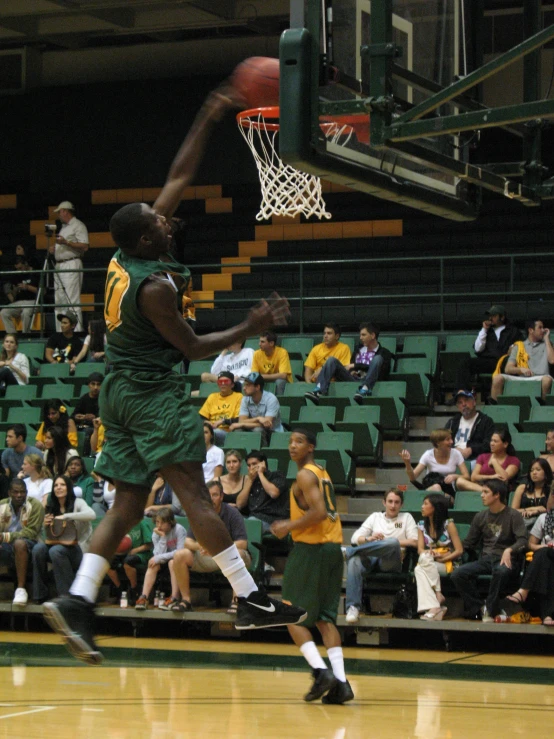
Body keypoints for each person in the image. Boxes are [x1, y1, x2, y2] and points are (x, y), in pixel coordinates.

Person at [43, 86, 306, 665]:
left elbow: (178, 176)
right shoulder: (156, 287)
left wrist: (209, 115)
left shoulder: (124, 255)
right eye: (159, 222)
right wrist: (249, 324)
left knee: (129, 503)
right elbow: (189, 347)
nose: (167, 219)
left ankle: (77, 599)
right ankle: (251, 599)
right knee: (191, 491)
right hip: (150, 394)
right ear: (147, 239)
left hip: (120, 392)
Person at [270, 428, 353, 704]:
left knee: (289, 613)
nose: (293, 445)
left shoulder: (305, 475)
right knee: (324, 619)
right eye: (290, 441)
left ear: (311, 447)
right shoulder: (322, 473)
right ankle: (341, 684)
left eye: (299, 441)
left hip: (312, 549)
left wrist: (287, 526)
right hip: (333, 548)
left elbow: (317, 513)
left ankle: (320, 671)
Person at [450, 479, 528, 621]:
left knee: (500, 571)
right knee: (458, 574)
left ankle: (490, 611)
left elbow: (523, 540)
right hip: (486, 559)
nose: (482, 495)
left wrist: (509, 550)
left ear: (497, 495)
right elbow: (469, 542)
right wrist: (452, 551)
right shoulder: (481, 516)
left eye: (486, 492)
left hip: (507, 560)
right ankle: (481, 607)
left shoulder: (513, 515)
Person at [171, 479, 251, 613]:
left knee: (240, 553)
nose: (211, 499)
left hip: (228, 558)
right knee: (179, 555)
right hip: (207, 557)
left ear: (221, 496)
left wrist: (218, 548)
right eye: (208, 495)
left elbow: (243, 543)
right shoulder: (199, 514)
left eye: (214, 495)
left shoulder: (232, 513)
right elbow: (187, 542)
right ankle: (186, 600)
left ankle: (237, 601)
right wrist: (199, 546)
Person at [344, 488, 418, 625]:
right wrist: (370, 539)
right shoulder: (375, 517)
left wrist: (387, 542)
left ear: (401, 505)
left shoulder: (406, 517)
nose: (393, 505)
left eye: (397, 502)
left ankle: (349, 552)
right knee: (354, 561)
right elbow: (355, 538)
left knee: (392, 542)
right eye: (390, 501)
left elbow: (414, 541)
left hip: (392, 560)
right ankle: (352, 608)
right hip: (372, 557)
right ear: (384, 502)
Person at [33, 475, 95, 603]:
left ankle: (66, 598)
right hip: (57, 547)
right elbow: (46, 536)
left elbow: (92, 514)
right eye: (56, 485)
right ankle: (40, 595)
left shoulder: (78, 502)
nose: (58, 488)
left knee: (55, 551)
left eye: (62, 485)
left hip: (78, 549)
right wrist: (45, 525)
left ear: (69, 487)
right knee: (38, 549)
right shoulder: (51, 507)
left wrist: (66, 516)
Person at [305, 322, 392, 403]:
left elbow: (383, 371)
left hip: (370, 381)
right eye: (360, 335)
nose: (360, 337)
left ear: (373, 335)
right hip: (353, 379)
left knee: (377, 359)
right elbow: (349, 367)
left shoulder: (384, 353)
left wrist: (356, 366)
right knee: (331, 360)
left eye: (363, 335)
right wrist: (352, 371)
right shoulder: (358, 349)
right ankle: (319, 390)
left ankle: (365, 390)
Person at [452, 304, 521, 398]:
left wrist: (513, 347)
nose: (490, 318)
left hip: (504, 362)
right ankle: (461, 394)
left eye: (494, 316)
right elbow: (477, 348)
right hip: (489, 361)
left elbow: (520, 345)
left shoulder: (513, 331)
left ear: (502, 317)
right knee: (465, 362)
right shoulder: (487, 331)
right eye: (490, 316)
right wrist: (484, 330)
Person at [414, 494, 463, 620]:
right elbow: (420, 549)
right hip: (430, 561)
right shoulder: (420, 525)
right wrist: (431, 555)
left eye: (426, 504)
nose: (422, 507)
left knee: (420, 568)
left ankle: (436, 601)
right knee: (420, 565)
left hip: (450, 562)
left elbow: (459, 550)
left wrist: (442, 557)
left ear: (435, 507)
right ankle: (437, 599)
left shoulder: (448, 524)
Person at [507, 496, 554, 625]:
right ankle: (547, 615)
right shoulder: (545, 518)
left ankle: (523, 591)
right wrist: (544, 546)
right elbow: (531, 545)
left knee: (544, 556)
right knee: (545, 559)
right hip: (548, 558)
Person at [0, 478, 44, 607]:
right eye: (15, 492)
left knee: (20, 543)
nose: (19, 495)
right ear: (9, 493)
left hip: (32, 544)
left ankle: (21, 589)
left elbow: (31, 532)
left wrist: (5, 537)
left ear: (26, 492)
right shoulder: (2, 505)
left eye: (22, 492)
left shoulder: (35, 505)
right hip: (7, 545)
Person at [490, 319, 554, 402]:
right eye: (540, 327)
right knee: (497, 378)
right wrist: (520, 369)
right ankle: (495, 408)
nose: (543, 330)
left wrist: (546, 339)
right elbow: (508, 369)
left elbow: (552, 360)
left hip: (540, 377)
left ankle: (543, 408)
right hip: (523, 377)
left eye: (543, 328)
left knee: (547, 380)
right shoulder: (519, 346)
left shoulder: (548, 344)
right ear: (531, 330)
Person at [134, 507, 186, 610]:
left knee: (172, 562)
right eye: (157, 522)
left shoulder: (179, 529)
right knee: (153, 564)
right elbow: (157, 554)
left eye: (162, 523)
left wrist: (159, 558)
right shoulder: (156, 533)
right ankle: (144, 597)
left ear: (170, 522)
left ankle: (175, 597)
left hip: (179, 562)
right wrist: (163, 537)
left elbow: (179, 552)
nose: (159, 526)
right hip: (164, 560)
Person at [49, 201, 89, 332]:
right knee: (59, 300)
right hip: (60, 265)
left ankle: (75, 332)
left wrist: (66, 242)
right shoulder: (64, 227)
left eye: (60, 212)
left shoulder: (78, 225)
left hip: (71, 263)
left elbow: (84, 245)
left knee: (71, 299)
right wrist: (56, 249)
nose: (59, 215)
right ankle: (59, 332)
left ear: (65, 211)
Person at [399, 429, 470, 500]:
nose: (451, 442)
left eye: (451, 438)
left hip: (449, 491)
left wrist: (455, 476)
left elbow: (467, 476)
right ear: (438, 443)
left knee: (449, 498)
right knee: (436, 487)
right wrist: (407, 463)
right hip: (432, 489)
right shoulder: (428, 455)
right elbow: (413, 477)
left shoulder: (456, 454)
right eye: (448, 440)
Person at [456, 427, 520, 493]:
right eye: (491, 440)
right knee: (460, 481)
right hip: (481, 487)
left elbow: (504, 478)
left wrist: (494, 462)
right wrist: (492, 477)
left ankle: (488, 492)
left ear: (505, 444)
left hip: (499, 490)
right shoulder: (483, 457)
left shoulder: (513, 460)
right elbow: (474, 477)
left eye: (495, 441)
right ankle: (486, 492)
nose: (491, 443)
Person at [228, 372, 284, 441]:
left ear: (257, 387)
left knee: (258, 430)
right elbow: (241, 420)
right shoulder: (245, 399)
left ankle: (262, 451)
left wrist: (242, 424)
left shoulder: (271, 399)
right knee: (237, 430)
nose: (244, 388)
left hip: (273, 432)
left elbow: (267, 425)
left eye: (248, 385)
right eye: (244, 385)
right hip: (252, 428)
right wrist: (258, 418)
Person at [444, 390, 495, 464]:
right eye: (460, 402)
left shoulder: (485, 421)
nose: (464, 404)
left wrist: (472, 449)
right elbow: (442, 441)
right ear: (458, 407)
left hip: (476, 459)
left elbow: (489, 444)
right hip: (453, 457)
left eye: (466, 400)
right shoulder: (453, 422)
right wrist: (454, 450)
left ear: (474, 402)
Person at [242, 451, 288, 532]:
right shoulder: (250, 481)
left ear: (263, 464)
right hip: (252, 518)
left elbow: (273, 493)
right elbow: (239, 504)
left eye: (254, 464)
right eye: (249, 465)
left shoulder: (277, 475)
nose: (251, 467)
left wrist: (260, 473)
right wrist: (250, 480)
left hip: (272, 521)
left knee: (250, 523)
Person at [198, 371, 243, 446]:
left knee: (215, 433)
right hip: (211, 429)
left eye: (226, 381)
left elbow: (239, 419)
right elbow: (201, 417)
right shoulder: (212, 397)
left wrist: (223, 421)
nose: (223, 384)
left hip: (228, 431)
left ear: (232, 385)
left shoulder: (238, 397)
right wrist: (207, 422)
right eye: (220, 382)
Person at [0, 258, 38, 334]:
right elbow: (13, 293)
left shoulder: (36, 273)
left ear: (26, 264)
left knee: (26, 312)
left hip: (33, 301)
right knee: (3, 312)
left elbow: (42, 292)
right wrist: (14, 291)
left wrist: (27, 287)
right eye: (17, 269)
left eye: (20, 268)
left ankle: (25, 335)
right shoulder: (18, 275)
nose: (19, 270)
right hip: (19, 302)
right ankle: (12, 335)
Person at [510, 458, 551, 528]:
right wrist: (536, 509)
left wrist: (537, 511)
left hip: (545, 525)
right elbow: (512, 511)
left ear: (546, 472)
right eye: (531, 470)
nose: (534, 473)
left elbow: (550, 512)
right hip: (523, 523)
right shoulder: (522, 488)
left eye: (538, 470)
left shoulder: (551, 490)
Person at [70, 372, 103, 456]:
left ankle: (89, 455)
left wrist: (94, 418)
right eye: (93, 384)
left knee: (89, 431)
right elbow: (74, 416)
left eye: (98, 384)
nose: (96, 387)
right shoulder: (84, 398)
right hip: (84, 426)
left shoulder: (104, 399)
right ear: (89, 385)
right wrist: (83, 417)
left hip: (98, 427)